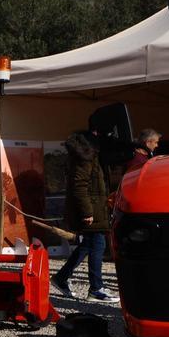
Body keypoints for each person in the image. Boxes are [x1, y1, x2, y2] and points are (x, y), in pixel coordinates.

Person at [52, 129, 116, 302]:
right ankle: (96, 288)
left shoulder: (89, 157)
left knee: (87, 245)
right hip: (91, 212)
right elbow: (79, 187)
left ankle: (61, 278)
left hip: (94, 210)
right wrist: (87, 212)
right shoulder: (85, 159)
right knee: (98, 245)